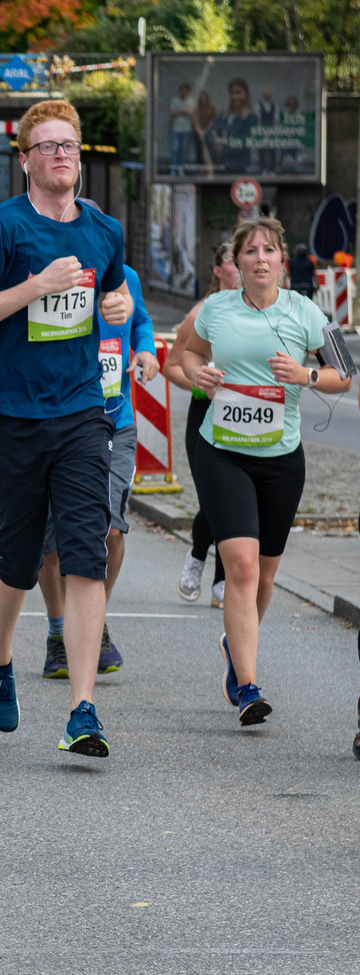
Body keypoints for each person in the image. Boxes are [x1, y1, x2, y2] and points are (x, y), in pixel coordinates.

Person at [0, 99, 134, 757]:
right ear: (24, 159)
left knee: (85, 551)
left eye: (68, 145)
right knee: (19, 559)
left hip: (85, 412)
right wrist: (33, 287)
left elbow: (113, 294)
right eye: (47, 146)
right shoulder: (1, 227)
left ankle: (82, 709)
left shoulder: (103, 230)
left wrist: (120, 302)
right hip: (13, 412)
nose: (60, 155)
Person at [176, 216, 348, 725]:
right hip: (222, 450)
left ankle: (236, 648)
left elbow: (345, 374)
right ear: (236, 261)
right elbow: (186, 352)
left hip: (281, 457)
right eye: (249, 251)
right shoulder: (216, 309)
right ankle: (248, 686)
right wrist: (197, 375)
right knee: (243, 567)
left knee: (266, 574)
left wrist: (305, 374)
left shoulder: (307, 312)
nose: (259, 259)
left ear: (282, 260)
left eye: (268, 251)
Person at [34, 259, 158, 678]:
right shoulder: (41, 271)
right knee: (50, 536)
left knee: (110, 528)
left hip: (115, 421)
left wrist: (144, 349)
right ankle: (57, 632)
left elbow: (141, 320)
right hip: (54, 421)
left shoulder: (126, 275)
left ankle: (92, 622)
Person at [168, 241, 239, 606]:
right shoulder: (201, 314)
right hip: (205, 416)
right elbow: (171, 366)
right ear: (218, 270)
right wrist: (199, 381)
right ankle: (198, 557)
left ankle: (222, 581)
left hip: (245, 415)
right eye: (233, 260)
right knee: (215, 497)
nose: (242, 266)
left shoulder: (263, 311)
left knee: (234, 498)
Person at [170, 83, 197, 175]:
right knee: (175, 149)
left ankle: (181, 168)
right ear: (180, 91)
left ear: (188, 92)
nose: (184, 93)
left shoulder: (191, 100)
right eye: (182, 91)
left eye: (186, 91)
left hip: (186, 129)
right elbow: (172, 113)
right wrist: (184, 111)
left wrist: (179, 111)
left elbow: (191, 112)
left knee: (184, 150)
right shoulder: (175, 100)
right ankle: (173, 169)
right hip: (176, 129)